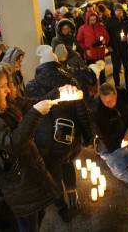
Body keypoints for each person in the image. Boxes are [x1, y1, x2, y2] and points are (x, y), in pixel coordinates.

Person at [0, 63, 59, 232]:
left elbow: (29, 104)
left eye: (8, 84)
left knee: (37, 213)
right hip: (16, 178)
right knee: (28, 222)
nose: (8, 90)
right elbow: (12, 144)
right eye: (3, 86)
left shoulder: (3, 101)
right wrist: (36, 113)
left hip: (28, 169)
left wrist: (57, 94)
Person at [25, 45, 94, 222]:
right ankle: (73, 198)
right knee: (68, 162)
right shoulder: (70, 81)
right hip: (69, 135)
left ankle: (60, 205)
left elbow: (29, 113)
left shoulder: (32, 85)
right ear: (56, 63)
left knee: (53, 172)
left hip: (45, 138)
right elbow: (82, 111)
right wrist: (88, 135)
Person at [91, 83, 128, 186]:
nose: (108, 103)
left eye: (111, 100)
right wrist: (117, 148)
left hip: (125, 127)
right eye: (105, 101)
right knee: (112, 154)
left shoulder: (125, 95)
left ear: (116, 94)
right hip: (109, 134)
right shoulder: (97, 108)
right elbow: (101, 132)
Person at [105, 3, 128, 90]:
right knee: (116, 68)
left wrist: (127, 38)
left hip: (125, 47)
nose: (119, 12)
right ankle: (117, 85)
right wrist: (108, 45)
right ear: (114, 11)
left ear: (123, 11)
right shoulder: (109, 21)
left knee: (126, 67)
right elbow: (106, 34)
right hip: (114, 48)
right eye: (117, 10)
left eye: (120, 10)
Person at [77, 10, 110, 84]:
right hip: (90, 55)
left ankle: (103, 88)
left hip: (100, 53)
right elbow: (79, 41)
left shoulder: (101, 27)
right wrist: (86, 49)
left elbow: (107, 37)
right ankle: (93, 90)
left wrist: (105, 41)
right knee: (92, 74)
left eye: (94, 19)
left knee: (102, 73)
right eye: (91, 20)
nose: (93, 21)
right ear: (87, 19)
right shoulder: (82, 28)